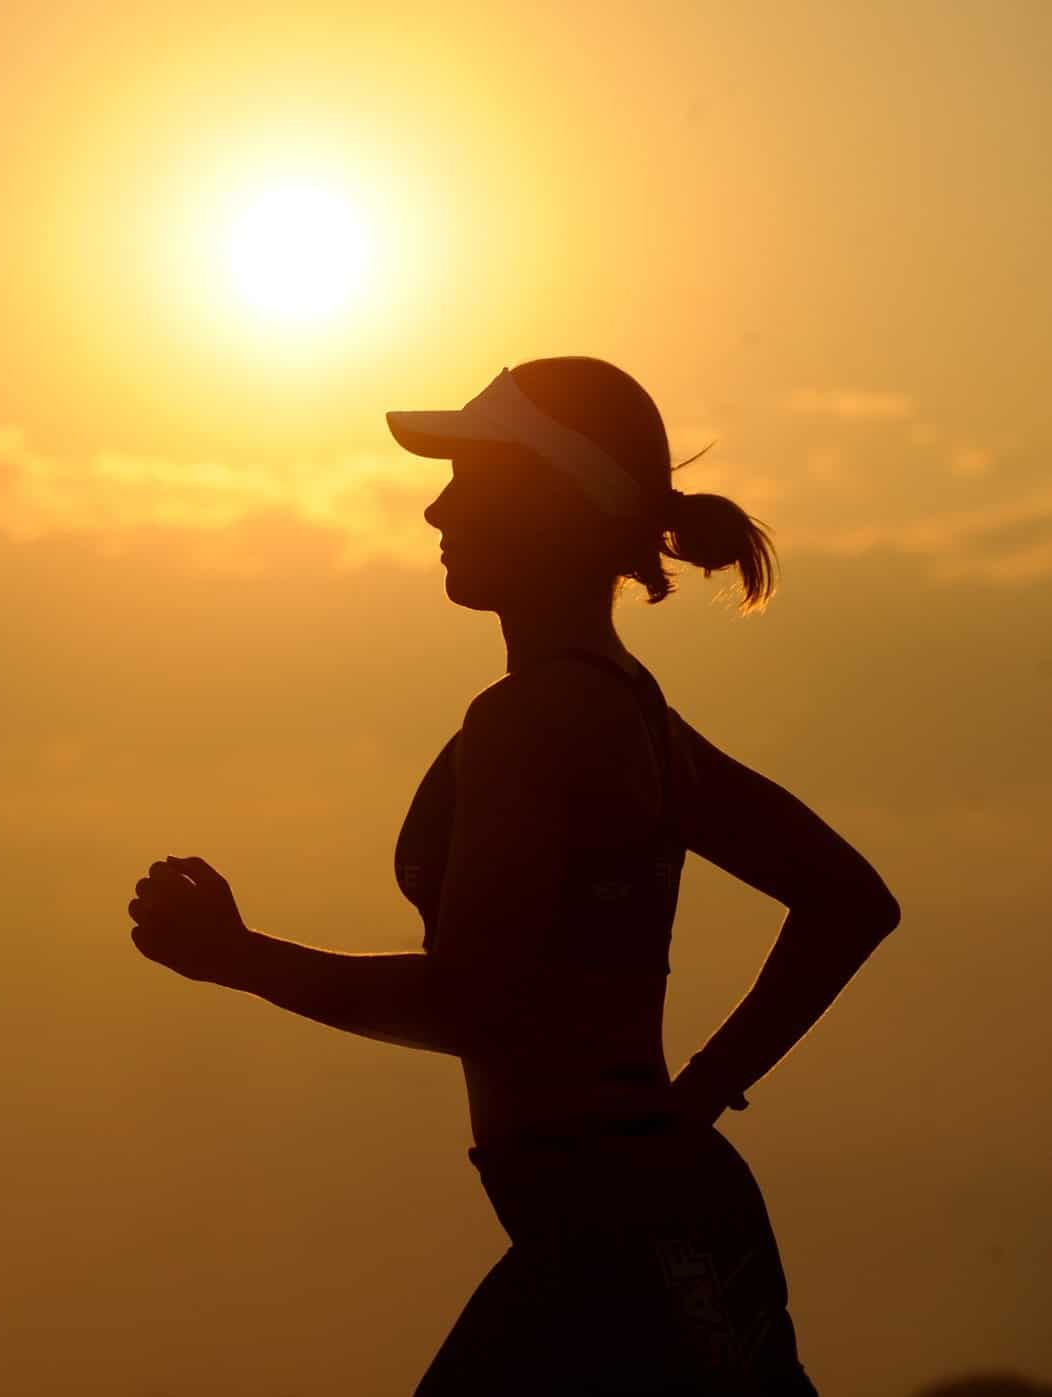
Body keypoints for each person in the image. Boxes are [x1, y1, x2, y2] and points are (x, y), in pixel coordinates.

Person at [126, 357, 902, 1394]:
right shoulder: (633, 714)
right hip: (648, 1223)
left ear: (555, 502)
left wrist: (238, 957)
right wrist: (697, 1095)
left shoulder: (535, 718)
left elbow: (473, 1002)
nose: (434, 506)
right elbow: (850, 899)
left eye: (470, 478)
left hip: (617, 1243)